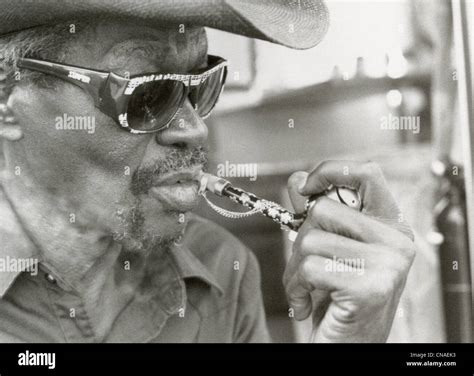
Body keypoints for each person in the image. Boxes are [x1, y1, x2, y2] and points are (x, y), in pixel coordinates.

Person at [0, 0, 415, 342]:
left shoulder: (222, 270)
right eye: (146, 92)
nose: (194, 128)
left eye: (201, 85)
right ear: (7, 96)